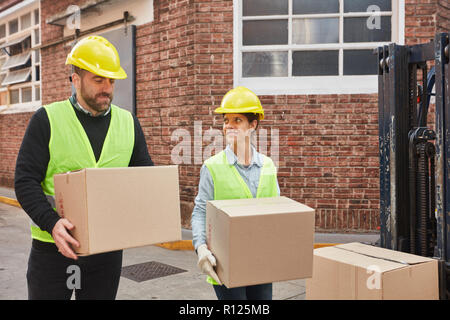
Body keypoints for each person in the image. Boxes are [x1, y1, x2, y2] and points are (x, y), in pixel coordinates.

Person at [14, 35, 153, 300]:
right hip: (53, 250)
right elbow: (25, 180)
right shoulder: (47, 120)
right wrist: (52, 223)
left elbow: (142, 179)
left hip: (106, 253)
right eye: (98, 80)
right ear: (76, 79)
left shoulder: (128, 123)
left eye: (111, 81)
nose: (107, 88)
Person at [191, 86, 280, 300]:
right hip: (225, 261)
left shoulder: (268, 165)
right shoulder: (212, 167)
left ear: (253, 125)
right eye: (225, 120)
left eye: (237, 120)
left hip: (260, 261)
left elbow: (278, 214)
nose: (229, 126)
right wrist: (201, 248)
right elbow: (200, 212)